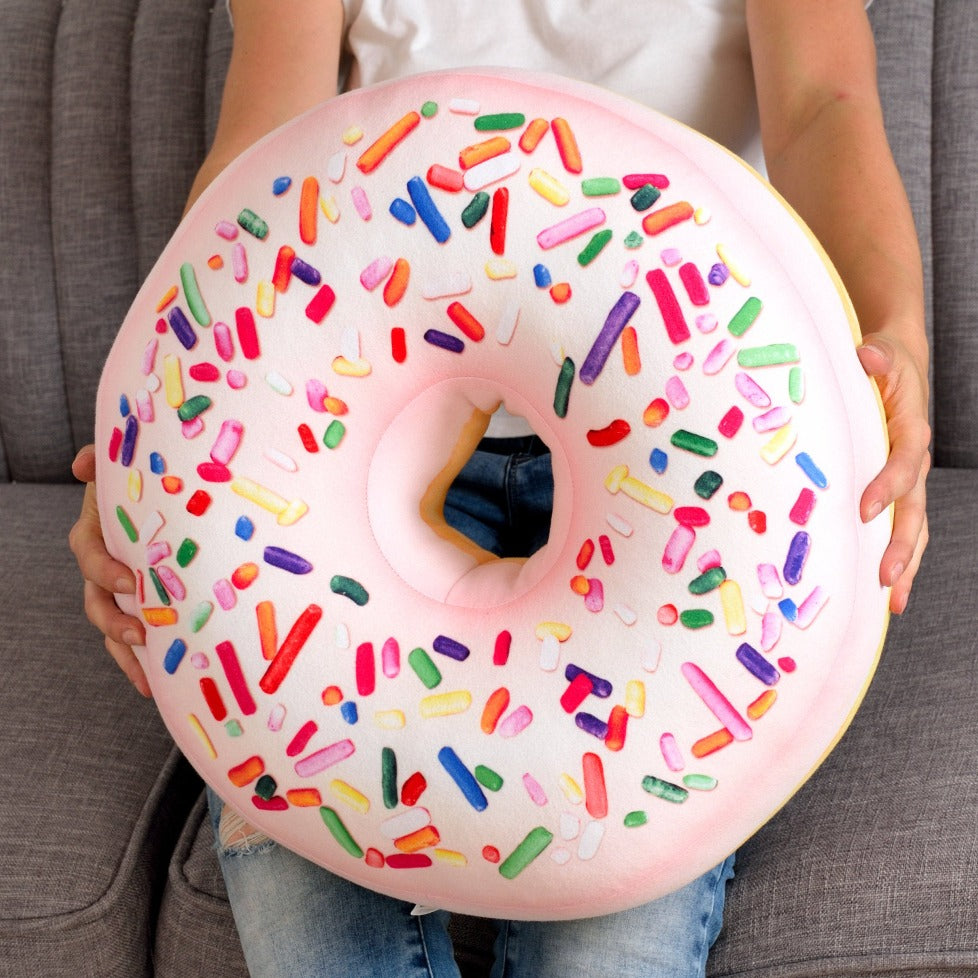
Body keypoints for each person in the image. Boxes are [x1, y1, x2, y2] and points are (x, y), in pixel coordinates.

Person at [68, 1, 931, 975]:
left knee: (610, 944)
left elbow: (824, 104)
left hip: (688, 493)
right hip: (356, 468)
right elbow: (261, 153)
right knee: (312, 909)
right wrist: (154, 442)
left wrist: (895, 344)